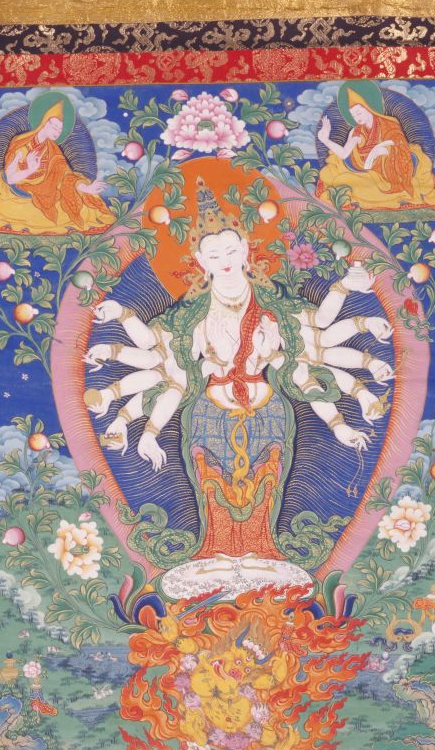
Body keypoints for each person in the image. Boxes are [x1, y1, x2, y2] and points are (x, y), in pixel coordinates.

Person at [83, 178, 393, 563]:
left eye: (231, 250)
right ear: (201, 261)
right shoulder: (191, 315)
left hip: (268, 410)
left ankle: (264, 554)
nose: (225, 260)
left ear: (246, 249)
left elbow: (313, 346)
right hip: (209, 413)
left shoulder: (275, 305)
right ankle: (214, 556)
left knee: (266, 486)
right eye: (214, 255)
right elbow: (166, 367)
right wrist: (123, 319)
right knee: (213, 490)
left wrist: (345, 288)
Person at [0, 96, 114, 237]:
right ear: (44, 122)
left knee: (84, 208)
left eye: (60, 130)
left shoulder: (53, 150)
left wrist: (86, 188)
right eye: (54, 127)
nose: (57, 132)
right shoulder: (22, 143)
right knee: (7, 208)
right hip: (19, 195)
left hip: (47, 194)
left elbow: (66, 176)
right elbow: (10, 178)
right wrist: (29, 170)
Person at [317, 86, 435, 212]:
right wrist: (325, 140)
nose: (357, 118)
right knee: (336, 178)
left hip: (390, 177)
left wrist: (386, 152)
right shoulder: (356, 131)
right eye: (353, 115)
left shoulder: (389, 124)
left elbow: (401, 149)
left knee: (347, 184)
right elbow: (344, 154)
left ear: (368, 108)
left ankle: (388, 195)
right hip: (364, 173)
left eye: (358, 113)